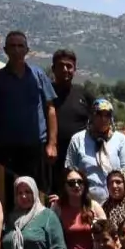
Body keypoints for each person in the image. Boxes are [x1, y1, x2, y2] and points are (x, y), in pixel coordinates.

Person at [0, 31, 58, 192]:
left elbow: (50, 109)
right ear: (5, 50)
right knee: (7, 193)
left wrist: (52, 143)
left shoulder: (38, 75)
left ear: (27, 50)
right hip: (6, 148)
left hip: (35, 147)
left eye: (20, 46)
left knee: (38, 193)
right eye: (12, 46)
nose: (16, 50)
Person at [63, 98, 125, 206]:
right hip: (84, 201)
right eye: (99, 114)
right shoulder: (78, 139)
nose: (103, 119)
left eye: (107, 115)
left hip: (115, 201)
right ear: (92, 116)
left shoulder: (120, 140)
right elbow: (69, 170)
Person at [49, 49, 91, 199]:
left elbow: (98, 121)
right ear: (53, 69)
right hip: (51, 159)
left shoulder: (83, 94)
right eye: (61, 66)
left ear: (75, 69)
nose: (65, 70)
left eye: (69, 66)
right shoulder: (46, 93)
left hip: (78, 159)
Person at [57, 167, 106, 249]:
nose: (76, 186)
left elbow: (106, 233)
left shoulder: (94, 206)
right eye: (71, 183)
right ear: (64, 186)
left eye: (80, 182)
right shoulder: (58, 208)